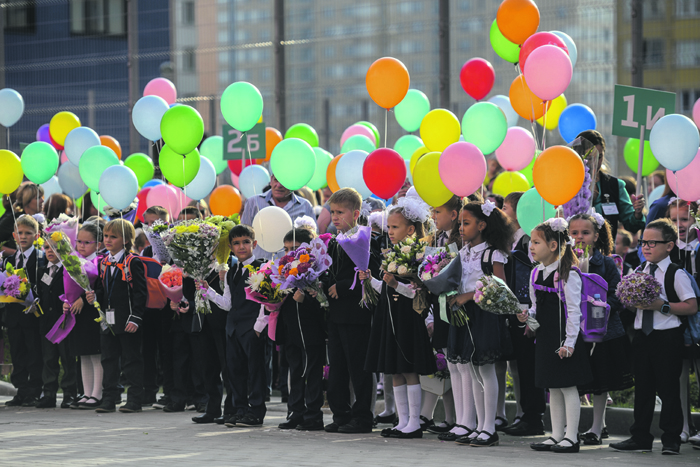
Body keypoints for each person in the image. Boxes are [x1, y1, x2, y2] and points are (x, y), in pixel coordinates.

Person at [610, 218, 697, 455]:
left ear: (669, 245)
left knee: (668, 389)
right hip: (642, 336)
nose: (646, 247)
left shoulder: (675, 273)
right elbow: (634, 305)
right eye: (643, 242)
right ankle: (640, 437)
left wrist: (662, 306)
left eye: (652, 243)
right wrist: (629, 301)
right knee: (644, 388)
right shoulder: (639, 270)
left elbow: (691, 306)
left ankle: (671, 438)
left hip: (667, 338)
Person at [362, 198, 437, 439]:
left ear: (411, 229)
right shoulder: (392, 253)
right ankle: (401, 420)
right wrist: (371, 279)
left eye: (395, 227)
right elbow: (387, 289)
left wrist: (395, 283)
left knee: (408, 368)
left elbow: (419, 292)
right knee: (394, 370)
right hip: (390, 316)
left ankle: (414, 422)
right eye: (389, 227)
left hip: (408, 317)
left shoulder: (419, 255)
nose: (390, 231)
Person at [522, 218, 592, 454]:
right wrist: (527, 317)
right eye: (531, 242)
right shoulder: (535, 274)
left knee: (568, 386)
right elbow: (535, 307)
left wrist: (569, 344)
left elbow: (574, 312)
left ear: (553, 246)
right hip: (545, 337)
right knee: (553, 387)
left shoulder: (567, 274)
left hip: (563, 339)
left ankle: (572, 437)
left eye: (536, 242)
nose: (531, 246)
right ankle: (556, 434)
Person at [447, 201, 513, 448]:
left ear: (482, 225)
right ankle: (477, 425)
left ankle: (490, 427)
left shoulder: (493, 253)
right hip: (464, 316)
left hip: (484, 314)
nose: (461, 228)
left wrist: (468, 296)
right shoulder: (463, 252)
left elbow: (499, 285)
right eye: (460, 223)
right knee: (472, 370)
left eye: (466, 223)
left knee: (485, 370)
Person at [569, 213, 633, 445]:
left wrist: (600, 307)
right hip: (574, 332)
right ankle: (570, 426)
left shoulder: (606, 263)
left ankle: (597, 426)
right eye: (574, 233)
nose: (579, 237)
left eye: (585, 233)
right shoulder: (563, 262)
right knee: (575, 380)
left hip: (602, 332)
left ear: (596, 236)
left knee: (600, 381)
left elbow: (618, 294)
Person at [323, 188, 381, 434]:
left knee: (358, 367)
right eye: (332, 212)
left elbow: (368, 273)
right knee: (337, 367)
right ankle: (341, 413)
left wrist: (343, 287)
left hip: (355, 313)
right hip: (335, 313)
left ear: (355, 213)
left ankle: (363, 417)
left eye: (340, 212)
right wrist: (326, 285)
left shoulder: (365, 240)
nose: (335, 217)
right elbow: (326, 271)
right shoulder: (333, 240)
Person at [201, 224, 269, 427]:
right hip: (233, 329)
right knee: (235, 371)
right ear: (230, 247)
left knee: (256, 371)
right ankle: (239, 410)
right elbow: (228, 303)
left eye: (246, 242)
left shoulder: (262, 267)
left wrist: (258, 328)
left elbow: (266, 301)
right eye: (237, 243)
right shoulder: (230, 272)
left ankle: (256, 412)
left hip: (253, 329)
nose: (241, 247)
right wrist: (208, 292)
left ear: (254, 244)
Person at [86, 219, 148, 413]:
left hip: (127, 319)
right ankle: (109, 398)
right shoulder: (103, 261)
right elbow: (101, 289)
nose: (108, 240)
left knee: (131, 360)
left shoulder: (133, 261)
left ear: (126, 240)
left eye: (114, 236)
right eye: (105, 236)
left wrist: (136, 317)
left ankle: (135, 399)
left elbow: (140, 292)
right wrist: (94, 297)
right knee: (109, 360)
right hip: (108, 320)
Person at [501, 192, 546, 437]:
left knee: (529, 364)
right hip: (514, 309)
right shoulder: (511, 240)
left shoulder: (528, 240)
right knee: (520, 364)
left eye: (505, 207)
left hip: (526, 308)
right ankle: (525, 413)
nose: (502, 212)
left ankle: (534, 417)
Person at [276, 227, 327, 431]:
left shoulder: (318, 268)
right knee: (295, 371)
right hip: (290, 327)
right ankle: (295, 412)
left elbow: (323, 302)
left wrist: (306, 298)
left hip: (311, 329)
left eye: (295, 248)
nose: (290, 253)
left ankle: (313, 415)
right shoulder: (284, 269)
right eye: (286, 248)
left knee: (312, 372)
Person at [421, 195, 462, 434]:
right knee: (443, 364)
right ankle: (449, 418)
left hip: (454, 306)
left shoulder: (460, 241)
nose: (434, 217)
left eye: (438, 212)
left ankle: (461, 419)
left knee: (454, 363)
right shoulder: (436, 238)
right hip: (438, 306)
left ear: (453, 214)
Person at [3, 214, 46, 407]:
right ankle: (20, 389)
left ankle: (34, 390)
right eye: (19, 233)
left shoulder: (41, 258)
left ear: (36, 236)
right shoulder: (9, 259)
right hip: (14, 316)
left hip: (32, 315)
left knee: (33, 353)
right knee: (18, 353)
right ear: (13, 235)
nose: (23, 237)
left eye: (28, 233)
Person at [576, 130, 645, 241]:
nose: (595, 162)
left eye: (599, 157)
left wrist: (637, 213)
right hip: (574, 253)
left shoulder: (615, 185)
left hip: (605, 254)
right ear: (579, 155)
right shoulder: (568, 182)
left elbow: (632, 225)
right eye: (589, 158)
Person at [66, 222, 104, 410]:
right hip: (77, 312)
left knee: (95, 353)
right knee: (83, 354)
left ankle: (97, 393)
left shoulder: (101, 261)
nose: (81, 246)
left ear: (97, 244)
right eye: (78, 241)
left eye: (87, 242)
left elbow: (100, 286)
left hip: (93, 311)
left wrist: (82, 297)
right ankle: (86, 393)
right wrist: (67, 299)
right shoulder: (73, 261)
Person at [36, 241, 77, 409]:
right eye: (46, 248)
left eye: (54, 247)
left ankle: (69, 394)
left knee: (67, 358)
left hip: (64, 322)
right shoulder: (42, 271)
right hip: (47, 321)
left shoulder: (69, 270)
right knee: (49, 358)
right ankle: (49, 393)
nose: (49, 251)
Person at [240, 175, 315, 260]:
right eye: (276, 180)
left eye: (284, 180)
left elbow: (313, 241)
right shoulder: (253, 203)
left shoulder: (305, 206)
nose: (279, 185)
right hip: (258, 268)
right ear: (271, 180)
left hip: (292, 269)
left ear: (293, 183)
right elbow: (243, 237)